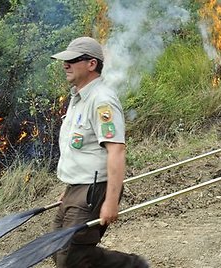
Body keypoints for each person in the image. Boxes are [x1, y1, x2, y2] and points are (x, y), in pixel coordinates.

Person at [50, 36, 149, 268]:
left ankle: (133, 265)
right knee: (58, 248)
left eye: (72, 60)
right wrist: (70, 190)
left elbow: (117, 151)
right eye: (65, 60)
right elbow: (81, 152)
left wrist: (111, 201)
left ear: (91, 64)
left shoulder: (102, 100)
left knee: (72, 257)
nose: (65, 65)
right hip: (77, 188)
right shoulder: (77, 98)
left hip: (94, 191)